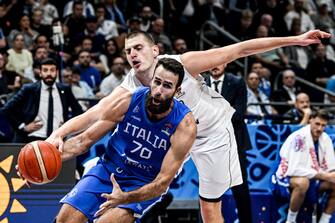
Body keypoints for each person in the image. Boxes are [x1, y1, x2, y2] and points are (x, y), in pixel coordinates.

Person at [47, 30, 331, 223]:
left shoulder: (183, 63)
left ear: (155, 50)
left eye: (138, 48)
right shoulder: (131, 85)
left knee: (210, 206)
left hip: (212, 136)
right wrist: (58, 135)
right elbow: (95, 113)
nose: (132, 54)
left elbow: (240, 49)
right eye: (127, 51)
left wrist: (297, 39)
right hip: (175, 137)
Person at [52, 58, 196, 223]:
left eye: (167, 86)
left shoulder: (184, 125)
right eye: (157, 82)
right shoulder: (128, 101)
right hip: (108, 170)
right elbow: (84, 140)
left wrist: (125, 198)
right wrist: (44, 160)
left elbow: (162, 183)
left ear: (177, 92)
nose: (158, 90)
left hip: (143, 183)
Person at [204, 64, 253, 223]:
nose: (214, 66)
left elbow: (238, 113)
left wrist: (210, 117)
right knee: (207, 190)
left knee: (240, 189)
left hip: (235, 142)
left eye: (218, 62)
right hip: (208, 144)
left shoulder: (237, 82)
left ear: (225, 63)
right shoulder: (200, 82)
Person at [0, 58, 83, 143]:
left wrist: (68, 127)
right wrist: (22, 126)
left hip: (58, 139)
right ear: (40, 73)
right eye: (45, 70)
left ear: (57, 73)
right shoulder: (29, 89)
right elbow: (7, 109)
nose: (49, 73)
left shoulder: (65, 89)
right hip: (33, 138)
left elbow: (78, 111)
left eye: (52, 70)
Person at [274, 110, 335, 223]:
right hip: (286, 176)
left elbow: (330, 167)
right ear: (310, 120)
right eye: (317, 124)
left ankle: (324, 221)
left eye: (323, 125)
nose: (320, 128)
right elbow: (295, 170)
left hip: (314, 177)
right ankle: (290, 220)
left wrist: (329, 175)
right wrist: (323, 175)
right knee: (303, 183)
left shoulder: (325, 138)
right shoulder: (299, 138)